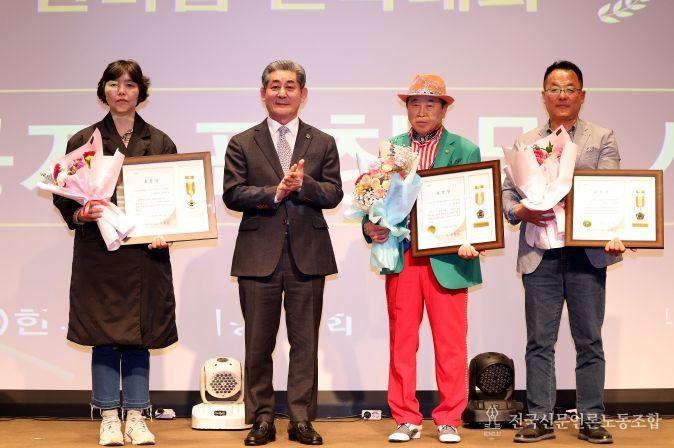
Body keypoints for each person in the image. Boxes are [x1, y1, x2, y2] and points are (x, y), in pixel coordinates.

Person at [53, 59, 178, 446]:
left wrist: (166, 232)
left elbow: (173, 200)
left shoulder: (160, 141)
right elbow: (64, 196)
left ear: (141, 92)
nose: (121, 91)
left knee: (140, 334)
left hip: (144, 253)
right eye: (113, 83)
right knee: (103, 334)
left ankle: (137, 416)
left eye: (129, 84)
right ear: (103, 90)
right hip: (100, 252)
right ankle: (108, 416)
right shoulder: (83, 141)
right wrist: (80, 213)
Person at [502, 60, 626, 444]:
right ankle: (540, 418)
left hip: (586, 254)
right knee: (540, 341)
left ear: (582, 96)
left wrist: (573, 200)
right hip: (541, 253)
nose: (562, 95)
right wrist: (521, 211)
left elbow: (610, 188)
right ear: (543, 96)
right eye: (554, 89)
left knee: (589, 339)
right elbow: (508, 195)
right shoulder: (525, 142)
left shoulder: (602, 137)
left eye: (570, 89)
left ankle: (591, 418)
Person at [223, 60, 343, 446]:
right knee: (258, 343)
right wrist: (275, 192)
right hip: (258, 255)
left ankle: (301, 419)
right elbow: (233, 193)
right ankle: (261, 418)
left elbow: (334, 193)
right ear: (263, 94)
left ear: (303, 94)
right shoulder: (242, 142)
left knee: (304, 343)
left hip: (308, 254)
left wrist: (303, 184)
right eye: (274, 86)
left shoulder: (322, 141)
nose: (282, 92)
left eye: (290, 86)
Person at [363, 74, 483, 444]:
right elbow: (375, 200)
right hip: (403, 255)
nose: (422, 110)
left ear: (444, 109)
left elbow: (477, 201)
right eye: (415, 103)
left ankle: (448, 418)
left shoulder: (465, 149)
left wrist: (475, 238)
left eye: (431, 103)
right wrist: (371, 226)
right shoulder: (392, 149)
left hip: (449, 259)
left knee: (450, 343)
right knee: (402, 342)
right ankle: (406, 417)